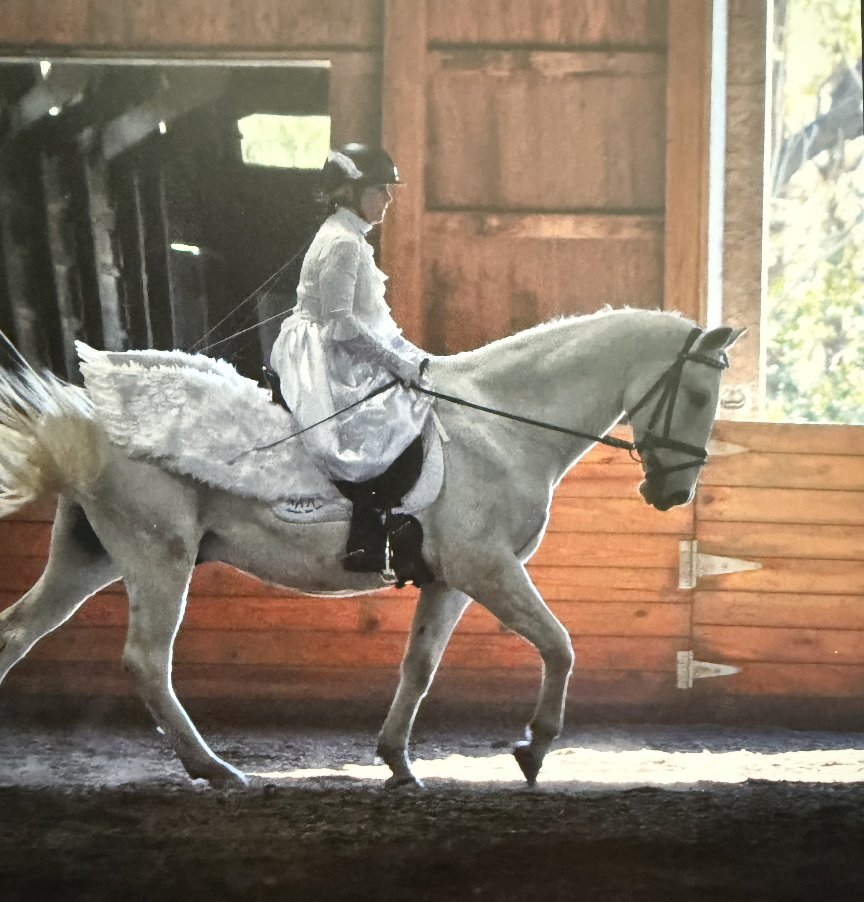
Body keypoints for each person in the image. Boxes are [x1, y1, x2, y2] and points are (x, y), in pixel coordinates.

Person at [270, 143, 434, 581]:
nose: (388, 199)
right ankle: (366, 537)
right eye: (380, 189)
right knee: (393, 425)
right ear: (350, 192)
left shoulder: (351, 238)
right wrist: (395, 365)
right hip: (324, 352)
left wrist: (412, 356)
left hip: (341, 341)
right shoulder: (343, 243)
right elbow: (341, 326)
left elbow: (374, 323)